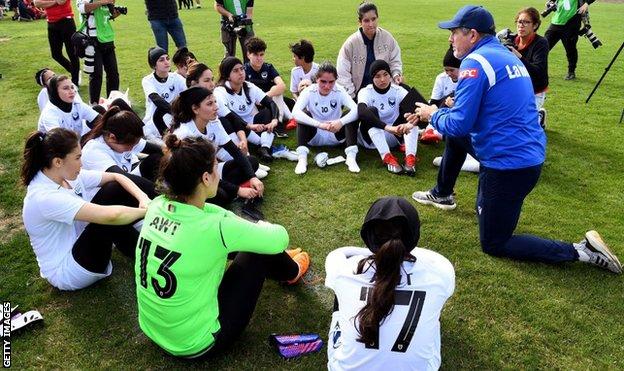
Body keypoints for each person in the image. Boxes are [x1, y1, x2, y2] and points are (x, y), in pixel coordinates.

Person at [409, 5, 621, 274]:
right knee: (459, 141)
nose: (450, 39)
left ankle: (581, 251)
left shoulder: (474, 63)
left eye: (454, 33)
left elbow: (460, 121)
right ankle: (443, 193)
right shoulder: (504, 53)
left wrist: (433, 113)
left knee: (494, 242)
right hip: (526, 153)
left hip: (509, 165)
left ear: (472, 35)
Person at [135, 134, 310, 357]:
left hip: (154, 328)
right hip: (197, 343)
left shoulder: (157, 205)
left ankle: (281, 260)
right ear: (206, 178)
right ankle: (292, 272)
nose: (219, 173)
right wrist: (262, 226)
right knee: (258, 248)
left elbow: (207, 219)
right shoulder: (216, 224)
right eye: (216, 167)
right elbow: (279, 238)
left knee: (245, 240)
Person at [326, 196, 455, 370]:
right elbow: (435, 258)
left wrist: (375, 253)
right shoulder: (441, 273)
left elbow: (339, 252)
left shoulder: (344, 270)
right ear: (413, 236)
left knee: (339, 296)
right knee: (433, 319)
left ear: (368, 235)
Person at [21, 128, 150, 291]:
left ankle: (146, 253)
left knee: (113, 189)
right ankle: (150, 253)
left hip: (81, 247)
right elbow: (112, 216)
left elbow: (117, 176)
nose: (81, 163)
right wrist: (149, 211)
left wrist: (144, 198)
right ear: (58, 162)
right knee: (109, 211)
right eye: (77, 158)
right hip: (68, 271)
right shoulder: (43, 197)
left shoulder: (61, 176)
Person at [169, 86, 265, 205]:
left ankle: (234, 187)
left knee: (252, 162)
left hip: (210, 173)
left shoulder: (214, 122)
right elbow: (200, 175)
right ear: (195, 109)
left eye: (215, 102)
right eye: (210, 104)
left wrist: (252, 177)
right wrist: (238, 190)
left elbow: (234, 151)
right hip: (194, 181)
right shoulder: (185, 134)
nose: (216, 107)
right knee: (222, 197)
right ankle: (234, 189)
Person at [291, 62, 359, 174]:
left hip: (336, 134)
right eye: (323, 81)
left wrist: (340, 122)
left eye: (331, 82)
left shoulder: (340, 90)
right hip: (314, 135)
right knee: (304, 115)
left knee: (349, 114)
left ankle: (351, 158)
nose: (327, 86)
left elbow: (356, 110)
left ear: (336, 80)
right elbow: (295, 112)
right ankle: (302, 159)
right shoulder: (309, 91)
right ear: (316, 79)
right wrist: (319, 124)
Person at [357, 60, 419, 176]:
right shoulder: (365, 92)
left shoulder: (398, 90)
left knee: (411, 114)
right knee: (370, 112)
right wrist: (388, 128)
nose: (382, 80)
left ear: (390, 75)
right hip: (371, 140)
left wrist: (409, 124)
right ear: (372, 78)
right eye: (377, 76)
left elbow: (419, 107)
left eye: (386, 74)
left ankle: (410, 158)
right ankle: (386, 156)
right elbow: (361, 112)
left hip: (395, 136)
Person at [213, 56, 279, 163]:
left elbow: (270, 103)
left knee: (267, 112)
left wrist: (275, 120)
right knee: (225, 121)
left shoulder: (249, 86)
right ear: (227, 76)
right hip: (237, 128)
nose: (241, 73)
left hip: (253, 126)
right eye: (235, 71)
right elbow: (229, 115)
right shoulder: (220, 91)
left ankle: (264, 148)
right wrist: (249, 126)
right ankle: (258, 145)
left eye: (242, 69)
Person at [81, 106, 164, 184]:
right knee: (115, 185)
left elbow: (159, 149)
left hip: (128, 173)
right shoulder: (94, 150)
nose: (132, 148)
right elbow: (121, 178)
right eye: (129, 146)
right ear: (112, 137)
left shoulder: (123, 135)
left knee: (157, 158)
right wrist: (156, 191)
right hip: (106, 191)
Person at [337, 2, 403, 99]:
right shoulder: (351, 43)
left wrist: (396, 74)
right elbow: (342, 72)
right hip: (360, 94)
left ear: (377, 18)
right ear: (360, 22)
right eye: (366, 21)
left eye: (373, 19)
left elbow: (395, 60)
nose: (371, 24)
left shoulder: (387, 38)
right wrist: (352, 95)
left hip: (385, 91)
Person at [506, 7, 549, 128]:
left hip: (535, 89)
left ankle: (539, 116)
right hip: (516, 87)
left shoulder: (541, 43)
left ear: (535, 26)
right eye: (519, 21)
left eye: (526, 22)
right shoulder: (511, 40)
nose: (521, 25)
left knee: (523, 127)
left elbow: (538, 72)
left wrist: (518, 56)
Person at [244, 37, 294, 131]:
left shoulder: (268, 67)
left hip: (268, 102)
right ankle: (287, 118)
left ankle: (278, 125)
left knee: (277, 91)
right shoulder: (243, 70)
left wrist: (265, 96)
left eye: (261, 54)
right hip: (253, 105)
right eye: (255, 55)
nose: (259, 58)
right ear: (248, 55)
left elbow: (282, 86)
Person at [76, 0, 121, 104]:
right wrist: (103, 1)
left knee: (113, 73)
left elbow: (106, 15)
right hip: (91, 39)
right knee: (96, 74)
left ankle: (113, 103)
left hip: (107, 38)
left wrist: (114, 14)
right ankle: (94, 104)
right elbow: (82, 8)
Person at [142, 46, 187, 143]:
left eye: (167, 58)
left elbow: (190, 93)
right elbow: (156, 99)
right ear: (154, 65)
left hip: (174, 120)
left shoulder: (176, 77)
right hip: (154, 124)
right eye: (161, 60)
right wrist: (177, 113)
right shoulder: (147, 80)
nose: (166, 62)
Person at [544, 0, 594, 80]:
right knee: (543, 48)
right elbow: (550, 2)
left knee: (570, 50)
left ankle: (571, 72)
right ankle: (541, 71)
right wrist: (550, 4)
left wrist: (586, 4)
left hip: (571, 24)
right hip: (555, 23)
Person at [34, 0, 80, 86]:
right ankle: (74, 70)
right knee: (55, 54)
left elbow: (61, 2)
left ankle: (75, 81)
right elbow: (37, 3)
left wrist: (47, 4)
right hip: (51, 22)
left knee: (72, 53)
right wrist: (55, 2)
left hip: (66, 21)